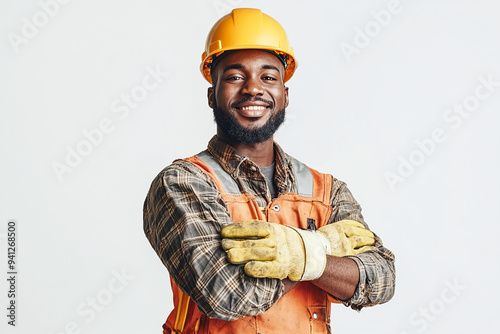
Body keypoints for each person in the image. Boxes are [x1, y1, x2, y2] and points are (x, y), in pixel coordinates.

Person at [143, 8, 395, 334]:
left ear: (284, 95)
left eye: (268, 77)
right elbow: (226, 294)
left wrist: (305, 255)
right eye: (234, 76)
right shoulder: (183, 183)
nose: (253, 89)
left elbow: (381, 278)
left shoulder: (327, 191)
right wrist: (322, 250)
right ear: (211, 95)